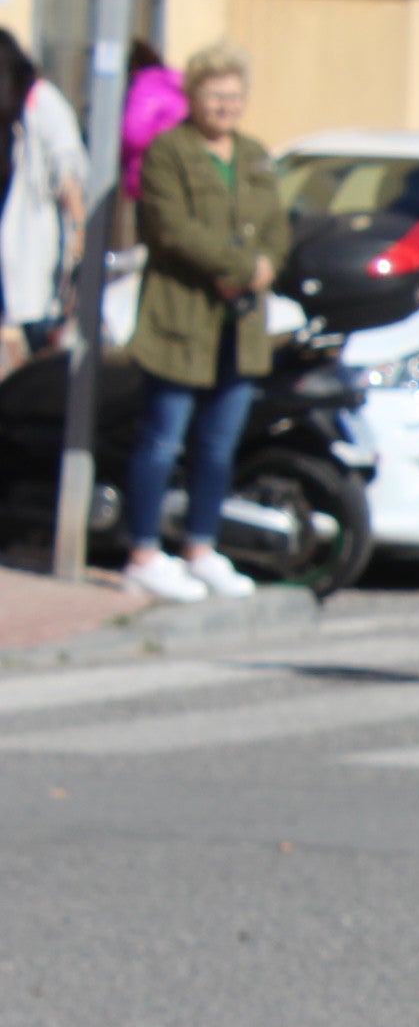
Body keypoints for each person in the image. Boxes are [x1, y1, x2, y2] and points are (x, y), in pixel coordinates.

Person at [121, 44, 288, 605]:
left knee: (219, 447)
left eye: (234, 96)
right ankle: (144, 551)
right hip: (181, 319)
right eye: (216, 95)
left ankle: (201, 546)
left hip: (238, 327)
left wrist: (265, 266)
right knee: (162, 441)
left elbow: (275, 228)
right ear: (193, 97)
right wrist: (239, 267)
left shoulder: (256, 155)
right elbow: (170, 227)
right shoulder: (169, 153)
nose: (226, 106)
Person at [0, 29, 88, 375]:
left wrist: (78, 237)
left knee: (31, 351)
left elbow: (68, 170)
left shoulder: (40, 101)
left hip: (28, 252)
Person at [119, 40, 184, 205]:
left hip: (149, 175)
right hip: (182, 175)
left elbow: (134, 134)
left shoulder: (144, 84)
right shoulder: (174, 83)